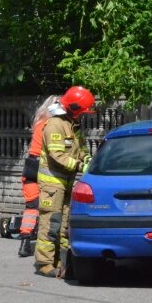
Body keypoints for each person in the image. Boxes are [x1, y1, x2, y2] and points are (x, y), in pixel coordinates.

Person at [34, 86, 95, 277]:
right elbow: (57, 155)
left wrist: (87, 160)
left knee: (65, 224)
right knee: (51, 223)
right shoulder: (55, 125)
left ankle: (63, 263)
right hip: (52, 183)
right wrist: (79, 166)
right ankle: (44, 264)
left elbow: (81, 149)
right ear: (74, 108)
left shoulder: (73, 125)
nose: (84, 116)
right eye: (82, 112)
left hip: (66, 182)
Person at [17, 95, 61, 257]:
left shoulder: (39, 123)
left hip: (30, 166)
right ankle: (50, 244)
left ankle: (25, 242)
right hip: (45, 167)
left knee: (32, 207)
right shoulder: (55, 125)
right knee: (51, 206)